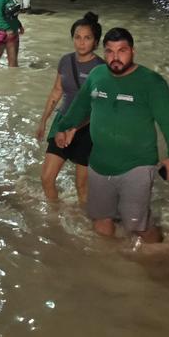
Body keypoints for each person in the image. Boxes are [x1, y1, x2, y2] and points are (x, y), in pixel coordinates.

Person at [53, 28, 169, 242]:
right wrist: (64, 127)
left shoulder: (151, 81)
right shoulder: (97, 75)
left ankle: (161, 252)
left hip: (137, 164)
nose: (115, 57)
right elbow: (80, 106)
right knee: (100, 221)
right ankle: (111, 259)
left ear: (133, 51)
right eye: (110, 51)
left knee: (137, 226)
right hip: (99, 163)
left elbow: (168, 120)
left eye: (122, 51)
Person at [36, 11, 103, 204]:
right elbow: (57, 91)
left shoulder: (101, 69)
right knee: (46, 178)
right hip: (63, 123)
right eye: (77, 37)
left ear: (96, 42)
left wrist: (74, 129)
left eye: (87, 38)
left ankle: (82, 220)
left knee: (82, 186)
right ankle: (55, 216)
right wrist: (43, 121)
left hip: (89, 129)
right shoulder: (65, 61)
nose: (81, 43)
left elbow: (99, 107)